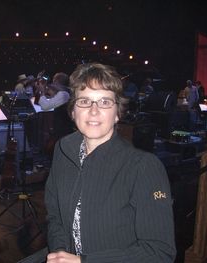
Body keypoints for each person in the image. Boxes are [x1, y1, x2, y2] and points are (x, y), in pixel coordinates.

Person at [45, 63, 176, 262]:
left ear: (117, 114)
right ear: (73, 112)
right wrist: (60, 253)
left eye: (105, 102)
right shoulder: (62, 151)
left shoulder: (143, 167)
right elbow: (55, 217)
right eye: (85, 101)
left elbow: (159, 252)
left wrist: (84, 261)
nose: (94, 111)